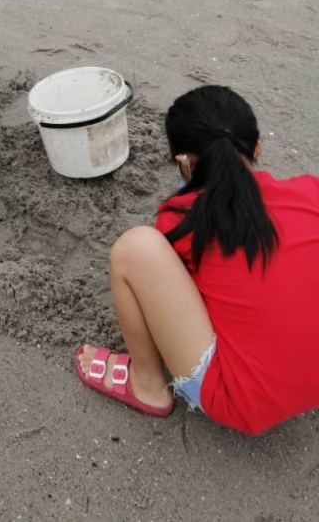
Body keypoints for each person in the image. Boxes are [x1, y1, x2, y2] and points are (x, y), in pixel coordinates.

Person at [76, 85, 319, 435]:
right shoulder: (309, 189)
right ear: (258, 149)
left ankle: (146, 383)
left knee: (137, 249)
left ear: (183, 163)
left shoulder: (180, 219)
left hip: (244, 401)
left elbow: (179, 299)